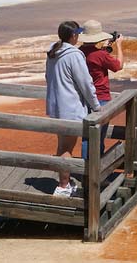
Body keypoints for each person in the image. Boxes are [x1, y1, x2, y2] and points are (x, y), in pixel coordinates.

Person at [45, 21, 100, 197]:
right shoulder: (74, 55)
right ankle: (62, 187)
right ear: (74, 36)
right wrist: (96, 106)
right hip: (70, 108)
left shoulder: (53, 51)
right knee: (68, 148)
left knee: (62, 146)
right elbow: (85, 83)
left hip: (56, 106)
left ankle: (64, 182)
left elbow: (48, 77)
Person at [79, 20, 124, 159]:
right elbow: (118, 66)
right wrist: (119, 46)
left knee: (87, 135)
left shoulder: (79, 52)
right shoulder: (100, 55)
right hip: (100, 97)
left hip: (83, 97)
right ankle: (94, 170)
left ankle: (86, 169)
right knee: (98, 136)